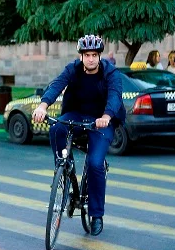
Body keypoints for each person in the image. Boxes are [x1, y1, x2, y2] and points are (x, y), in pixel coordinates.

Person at [31, 34, 125, 237]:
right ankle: (63, 166)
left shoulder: (110, 73)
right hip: (77, 115)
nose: (90, 59)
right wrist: (42, 106)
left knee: (95, 163)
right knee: (57, 127)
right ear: (81, 56)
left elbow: (115, 96)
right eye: (86, 55)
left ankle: (96, 215)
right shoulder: (72, 69)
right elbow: (56, 85)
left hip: (101, 120)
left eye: (94, 55)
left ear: (99, 56)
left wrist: (107, 116)